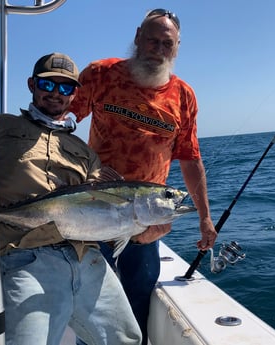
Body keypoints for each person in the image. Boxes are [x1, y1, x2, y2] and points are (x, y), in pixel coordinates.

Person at [69, 9, 218, 345]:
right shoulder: (102, 74)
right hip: (95, 215)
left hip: (147, 224)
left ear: (177, 48)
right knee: (91, 308)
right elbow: (63, 121)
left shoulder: (183, 96)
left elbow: (190, 158)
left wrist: (205, 218)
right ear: (137, 37)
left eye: (167, 43)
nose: (158, 47)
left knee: (138, 306)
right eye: (152, 39)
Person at [0, 52, 142, 345]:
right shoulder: (0, 128)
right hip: (26, 255)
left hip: (85, 256)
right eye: (48, 85)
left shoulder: (85, 152)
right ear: (31, 85)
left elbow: (97, 202)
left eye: (65, 88)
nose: (55, 94)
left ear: (74, 95)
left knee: (127, 339)